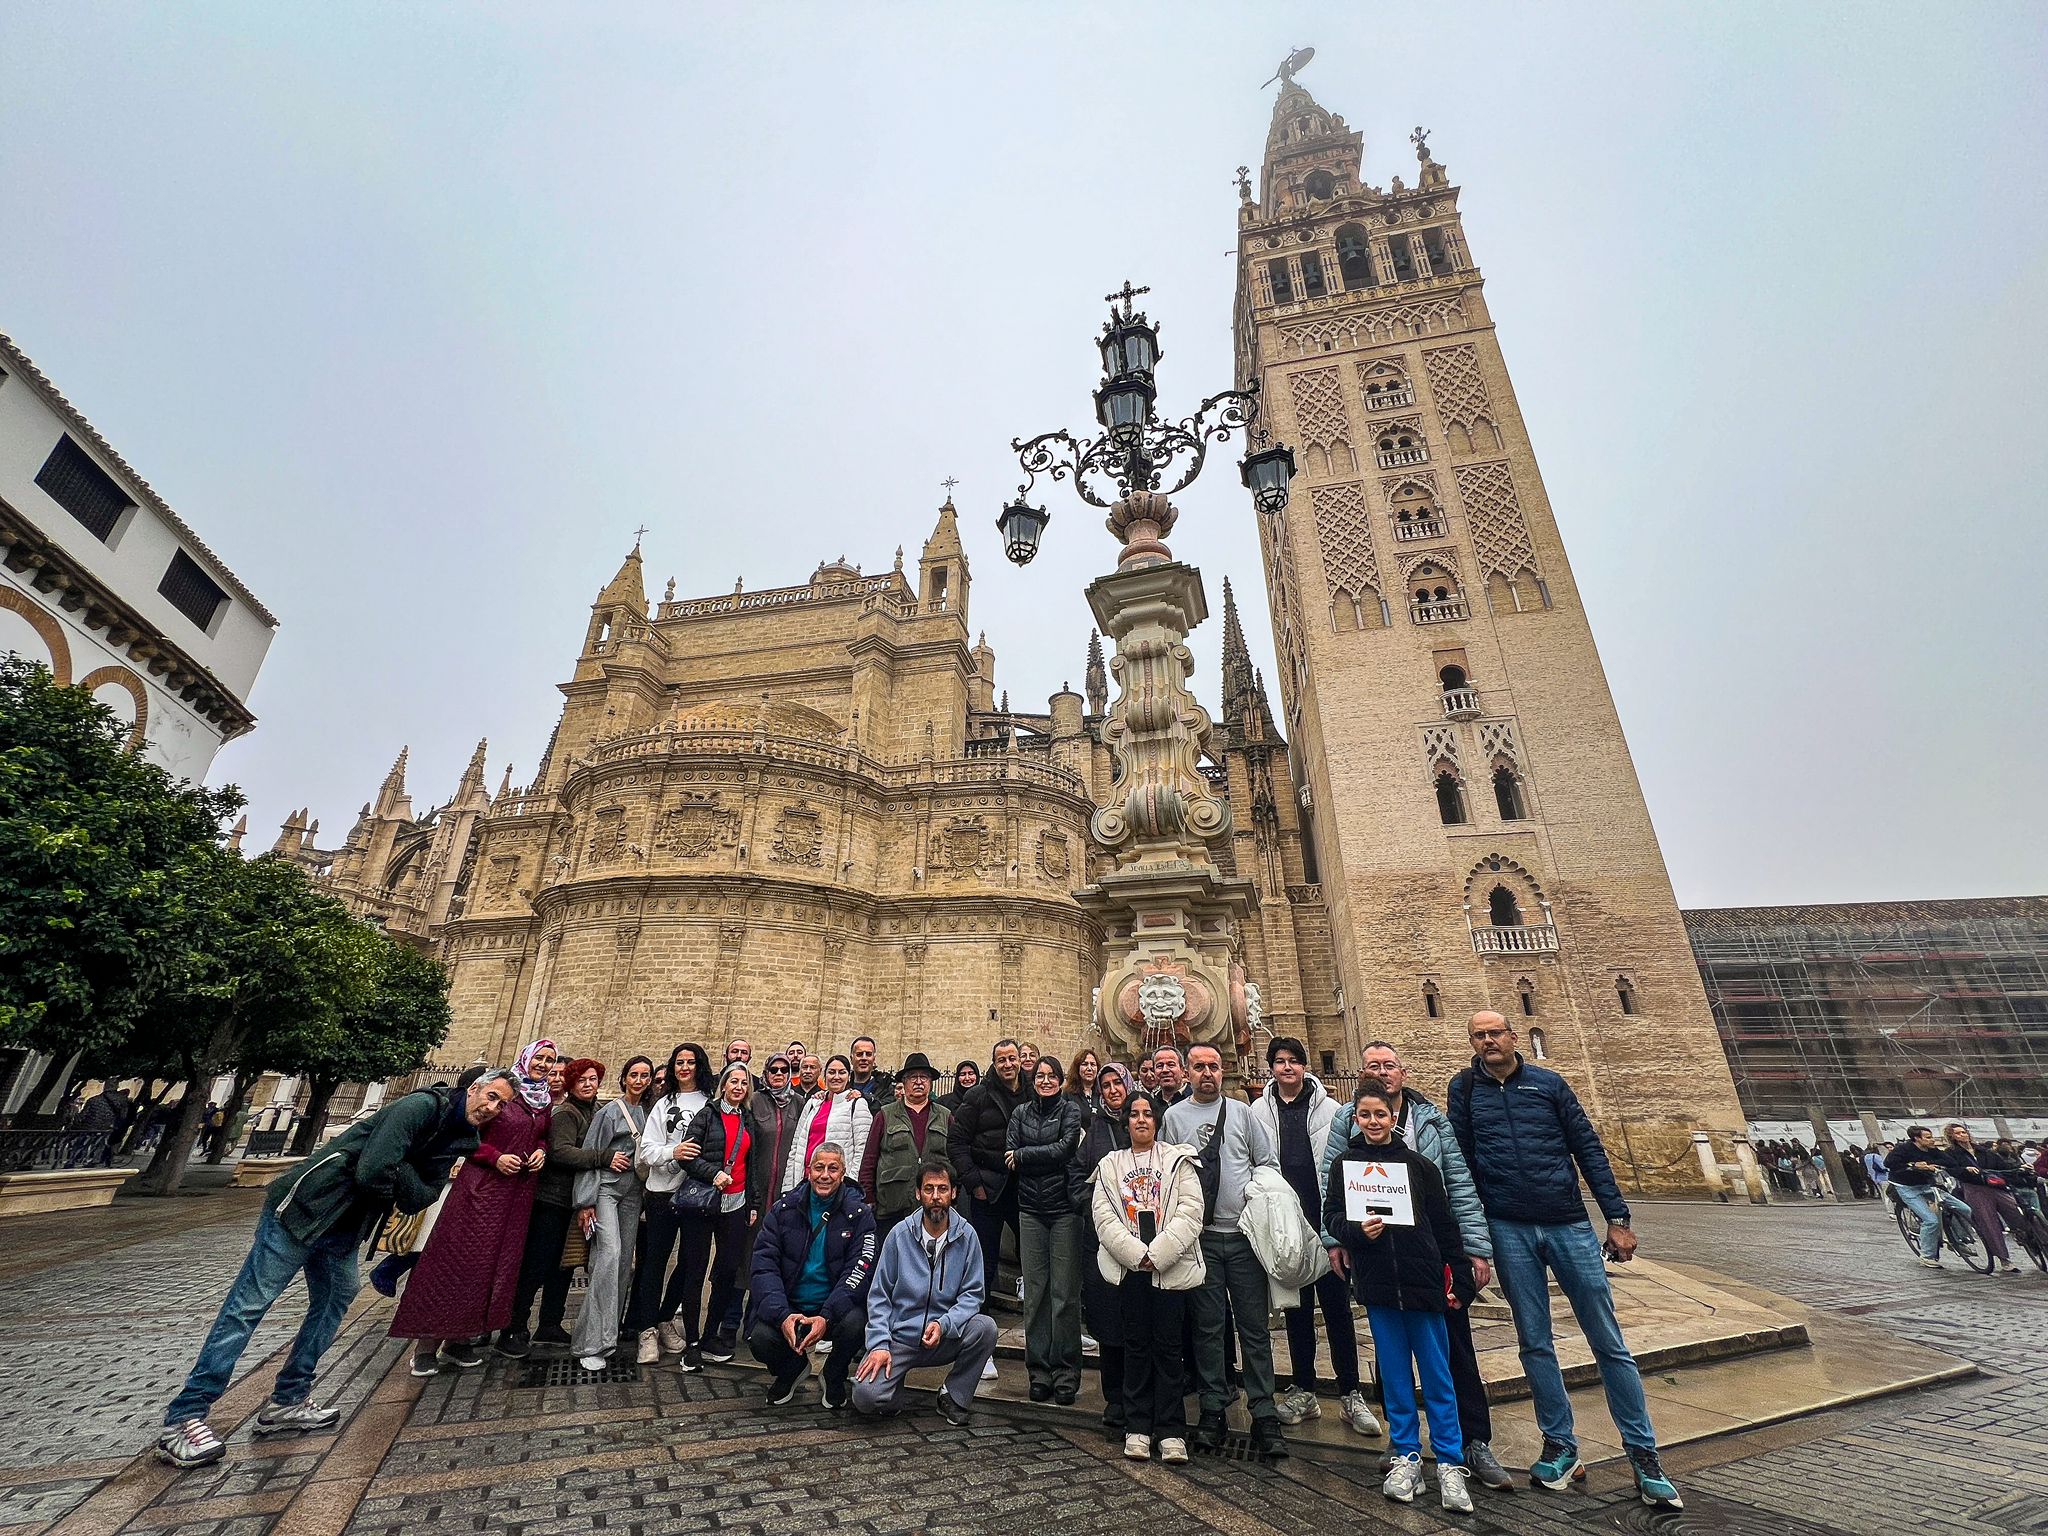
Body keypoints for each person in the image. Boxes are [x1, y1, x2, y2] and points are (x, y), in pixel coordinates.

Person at [156, 1070, 518, 1468]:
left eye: (502, 1105)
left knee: (335, 1302)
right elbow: (371, 1171)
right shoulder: (419, 1106)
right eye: (492, 1096)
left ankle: (288, 1400)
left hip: (347, 1226)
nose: (493, 1108)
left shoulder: (463, 1138)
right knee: (247, 1308)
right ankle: (185, 1417)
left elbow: (420, 1196)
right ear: (474, 1088)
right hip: (303, 1211)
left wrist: (394, 1168)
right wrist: (394, 1171)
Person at [1448, 1011, 1683, 1509]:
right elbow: (1462, 1162)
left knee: (1608, 1340)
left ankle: (1643, 1453)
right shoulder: (1465, 1089)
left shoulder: (1549, 1085)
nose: (1488, 1041)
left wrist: (1616, 1217)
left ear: (1514, 1038)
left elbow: (1588, 1149)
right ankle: (1559, 1444)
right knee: (1534, 1341)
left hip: (1569, 1224)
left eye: (1495, 1033)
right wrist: (1471, 1235)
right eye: (1479, 1035)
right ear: (1472, 1042)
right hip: (1507, 1227)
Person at [1340, 1042, 1507, 1485]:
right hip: (1379, 1262)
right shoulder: (1345, 1125)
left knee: (1453, 1354)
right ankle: (1404, 1445)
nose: (1382, 1072)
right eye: (1373, 1065)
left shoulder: (1432, 1121)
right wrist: (1339, 1237)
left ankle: (1469, 1444)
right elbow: (1332, 1189)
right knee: (1392, 1357)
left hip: (1430, 1260)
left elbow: (1458, 1184)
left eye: (1389, 1065)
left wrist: (1473, 1247)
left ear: (1403, 1073)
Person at [1325, 1082, 1475, 1514]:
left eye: (1381, 1114)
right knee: (1393, 1376)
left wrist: (1459, 1275)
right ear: (1356, 1118)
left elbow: (1444, 1224)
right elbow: (1334, 1214)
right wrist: (1355, 1233)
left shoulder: (1420, 1166)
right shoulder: (1345, 1165)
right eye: (1365, 1115)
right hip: (1378, 1284)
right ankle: (1407, 1454)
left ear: (1394, 1118)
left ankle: (1449, 1461)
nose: (1373, 1122)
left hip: (1421, 1279)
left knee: (1438, 1376)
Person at [394, 1039, 554, 1375]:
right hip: (480, 1191)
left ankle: (460, 1340)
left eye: (549, 1060)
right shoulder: (500, 1096)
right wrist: (495, 1157)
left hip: (517, 1195)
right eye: (538, 1057)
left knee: (491, 1267)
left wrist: (540, 1151)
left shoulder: (543, 1102)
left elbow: (540, 1136)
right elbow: (466, 1136)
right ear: (525, 1058)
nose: (543, 1063)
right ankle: (425, 1346)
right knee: (452, 1263)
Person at [1162, 1042, 1286, 1457]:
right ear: (1186, 1072)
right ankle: (1213, 1407)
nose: (1207, 1073)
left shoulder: (1244, 1113)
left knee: (1254, 1328)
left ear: (1223, 1069)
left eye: (1213, 1066)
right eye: (1198, 1067)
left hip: (1243, 1238)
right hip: (1201, 1240)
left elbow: (1267, 1163)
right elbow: (1165, 1174)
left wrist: (1256, 1201)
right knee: (1208, 1328)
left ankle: (1264, 1411)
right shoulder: (1174, 1117)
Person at [1252, 1037, 1375, 1439]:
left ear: (1305, 1066)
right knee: (1297, 1310)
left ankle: (1351, 1393)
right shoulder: (1258, 1112)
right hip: (1287, 1225)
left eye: (1293, 1061)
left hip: (1327, 1223)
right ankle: (1304, 1389)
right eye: (1279, 1061)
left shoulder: (1332, 1110)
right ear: (1270, 1067)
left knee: (1338, 1309)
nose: (1286, 1068)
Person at [1091, 1086, 1206, 1465]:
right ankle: (1137, 1426)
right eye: (1134, 1114)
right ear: (1126, 1122)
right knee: (1135, 1346)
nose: (1141, 1119)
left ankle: (1172, 1430)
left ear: (1157, 1120)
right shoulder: (1111, 1164)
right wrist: (1136, 1255)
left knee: (1170, 1349)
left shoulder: (1178, 1160)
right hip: (1130, 1271)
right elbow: (1104, 1217)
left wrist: (1158, 1254)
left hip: (1168, 1269)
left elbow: (1191, 1212)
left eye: (1147, 1113)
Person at [852, 1158, 999, 1423]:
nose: (935, 1197)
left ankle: (952, 1395)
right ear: (918, 1193)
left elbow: (972, 1295)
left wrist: (944, 1324)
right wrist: (878, 1345)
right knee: (865, 1398)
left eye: (942, 1189)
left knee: (985, 1328)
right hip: (900, 1338)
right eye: (929, 1189)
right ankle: (892, 1396)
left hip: (944, 1336)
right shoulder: (899, 1235)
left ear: (953, 1193)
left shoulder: (968, 1236)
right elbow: (879, 1295)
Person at [748, 1141, 876, 1408]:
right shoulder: (783, 1210)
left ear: (843, 1174)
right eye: (819, 1168)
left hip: (832, 1308)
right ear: (808, 1171)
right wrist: (782, 1314)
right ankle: (792, 1368)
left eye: (833, 1169)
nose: (825, 1175)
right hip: (791, 1306)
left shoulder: (860, 1215)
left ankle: (834, 1373)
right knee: (759, 1338)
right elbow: (763, 1266)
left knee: (857, 1323)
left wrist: (826, 1316)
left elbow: (859, 1271)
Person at [502, 1055, 607, 1355]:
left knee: (564, 1265)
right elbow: (560, 1152)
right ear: (571, 1084)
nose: (587, 1084)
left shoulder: (596, 1111)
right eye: (581, 1080)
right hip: (552, 1200)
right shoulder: (566, 1113)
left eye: (592, 1079)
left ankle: (550, 1323)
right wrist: (603, 1157)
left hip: (575, 1201)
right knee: (537, 1264)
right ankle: (513, 1328)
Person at [627, 1042, 713, 1363]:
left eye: (691, 1062)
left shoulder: (711, 1104)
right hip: (661, 1192)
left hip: (695, 1194)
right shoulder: (664, 1103)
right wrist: (672, 1152)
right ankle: (646, 1330)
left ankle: (665, 1319)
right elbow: (646, 1151)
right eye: (679, 1062)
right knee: (654, 1262)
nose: (685, 1068)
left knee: (690, 1263)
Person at [1008, 1054, 1086, 1404]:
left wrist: (1026, 1156)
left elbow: (1066, 1148)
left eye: (1051, 1075)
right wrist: (1032, 1156)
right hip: (1031, 1211)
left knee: (1064, 1294)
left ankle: (1066, 1372)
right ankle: (1039, 1371)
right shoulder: (1020, 1114)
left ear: (1059, 1079)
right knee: (1036, 1294)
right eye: (1039, 1076)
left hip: (1064, 1210)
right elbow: (1009, 1154)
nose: (1045, 1081)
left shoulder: (1069, 1110)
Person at [674, 1064, 760, 1367]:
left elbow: (752, 1167)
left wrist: (753, 1204)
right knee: (695, 1271)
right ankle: (693, 1342)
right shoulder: (707, 1115)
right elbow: (688, 1157)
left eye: (744, 1082)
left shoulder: (748, 1119)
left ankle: (711, 1334)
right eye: (733, 1081)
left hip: (735, 1204)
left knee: (726, 1271)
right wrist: (714, 1175)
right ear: (723, 1085)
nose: (738, 1087)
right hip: (704, 1203)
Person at [573, 1057, 653, 1372]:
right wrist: (585, 1202)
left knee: (622, 1264)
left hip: (633, 1194)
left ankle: (609, 1336)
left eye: (645, 1075)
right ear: (624, 1079)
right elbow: (591, 1155)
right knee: (608, 1257)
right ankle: (589, 1343)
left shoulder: (649, 1113)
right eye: (634, 1074)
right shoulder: (608, 1113)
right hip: (606, 1190)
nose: (640, 1080)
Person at [1071, 1063, 1132, 1424]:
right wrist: (1089, 1202)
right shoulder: (1093, 1130)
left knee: (1138, 1319)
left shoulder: (1143, 1120)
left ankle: (1140, 1394)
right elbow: (1076, 1175)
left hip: (1144, 1238)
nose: (1111, 1090)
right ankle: (1115, 1399)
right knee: (1109, 1320)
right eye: (1106, 1085)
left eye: (1117, 1083)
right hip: (1103, 1237)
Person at [955, 1039, 1029, 1312]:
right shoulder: (979, 1095)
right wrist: (974, 1183)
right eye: (1002, 1060)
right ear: (994, 1063)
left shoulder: (1032, 1091)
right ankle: (980, 1324)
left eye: (1012, 1058)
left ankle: (1037, 1319)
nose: (1007, 1064)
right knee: (984, 1257)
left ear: (1019, 1060)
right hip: (988, 1189)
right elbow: (957, 1142)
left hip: (1025, 1188)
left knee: (1032, 1254)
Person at [858, 1052, 959, 1239]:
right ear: (904, 1083)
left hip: (934, 1207)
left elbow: (956, 1156)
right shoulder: (885, 1115)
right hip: (892, 1206)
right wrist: (869, 1196)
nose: (919, 1082)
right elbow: (870, 1158)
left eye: (924, 1077)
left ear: (930, 1082)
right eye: (913, 1077)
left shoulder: (945, 1116)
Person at [1939, 1123, 2035, 1274]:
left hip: (1995, 1185)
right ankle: (2004, 1259)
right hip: (1974, 1188)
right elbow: (1951, 1169)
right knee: (1989, 1222)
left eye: (1964, 1132)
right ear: (1952, 1137)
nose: (1963, 1135)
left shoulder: (1983, 1150)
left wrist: (2019, 1169)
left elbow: (2001, 1166)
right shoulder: (1951, 1153)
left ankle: (2030, 1238)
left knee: (2016, 1211)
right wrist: (1964, 1170)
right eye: (1958, 1133)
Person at [1884, 1126, 1974, 1268]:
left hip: (1927, 1184)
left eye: (1931, 1136)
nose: (1932, 1140)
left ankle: (1958, 1241)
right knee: (1931, 1221)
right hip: (1906, 1187)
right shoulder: (1903, 1149)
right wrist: (1913, 1165)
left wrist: (1932, 1164)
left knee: (1964, 1208)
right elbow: (1889, 1163)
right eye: (1927, 1137)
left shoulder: (1932, 1150)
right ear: (1917, 1139)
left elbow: (1950, 1162)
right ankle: (1927, 1255)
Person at [785, 1055, 874, 1192]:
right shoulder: (813, 1103)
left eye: (842, 1072)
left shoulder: (857, 1104)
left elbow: (862, 1151)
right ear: (824, 1075)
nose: (836, 1077)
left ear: (849, 1076)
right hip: (805, 1180)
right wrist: (788, 1187)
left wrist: (850, 1185)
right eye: (832, 1072)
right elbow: (796, 1145)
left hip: (836, 1183)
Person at [848, 1036, 894, 1109]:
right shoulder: (842, 1086)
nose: (864, 1058)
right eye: (859, 1054)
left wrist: (865, 1097)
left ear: (873, 1058)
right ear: (851, 1058)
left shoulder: (886, 1087)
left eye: (868, 1054)